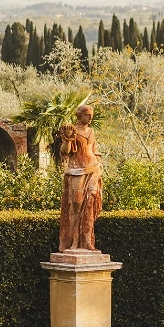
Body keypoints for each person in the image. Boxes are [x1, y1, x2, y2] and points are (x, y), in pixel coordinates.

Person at [58, 105, 102, 252]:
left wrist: (99, 164)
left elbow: (94, 150)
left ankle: (87, 241)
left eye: (91, 115)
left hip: (93, 169)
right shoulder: (73, 130)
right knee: (75, 205)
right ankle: (74, 241)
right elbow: (65, 152)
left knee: (89, 204)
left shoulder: (91, 131)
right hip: (77, 170)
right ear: (80, 116)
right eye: (87, 115)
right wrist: (68, 139)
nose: (90, 118)